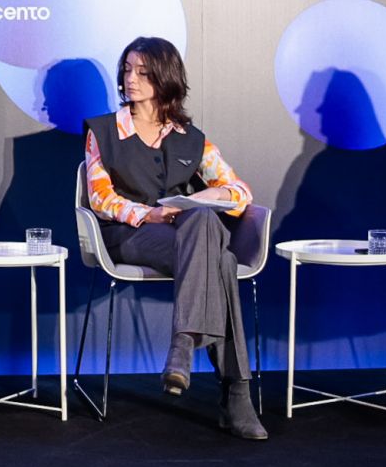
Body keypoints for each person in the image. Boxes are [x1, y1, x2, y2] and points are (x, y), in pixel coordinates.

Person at [83, 36, 267, 441]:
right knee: (220, 260)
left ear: (164, 78)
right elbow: (100, 197)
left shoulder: (191, 137)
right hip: (130, 237)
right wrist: (148, 213)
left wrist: (195, 200)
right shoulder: (104, 131)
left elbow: (239, 192)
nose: (131, 79)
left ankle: (183, 344)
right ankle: (236, 393)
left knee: (207, 232)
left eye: (143, 72)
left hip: (183, 238)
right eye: (127, 69)